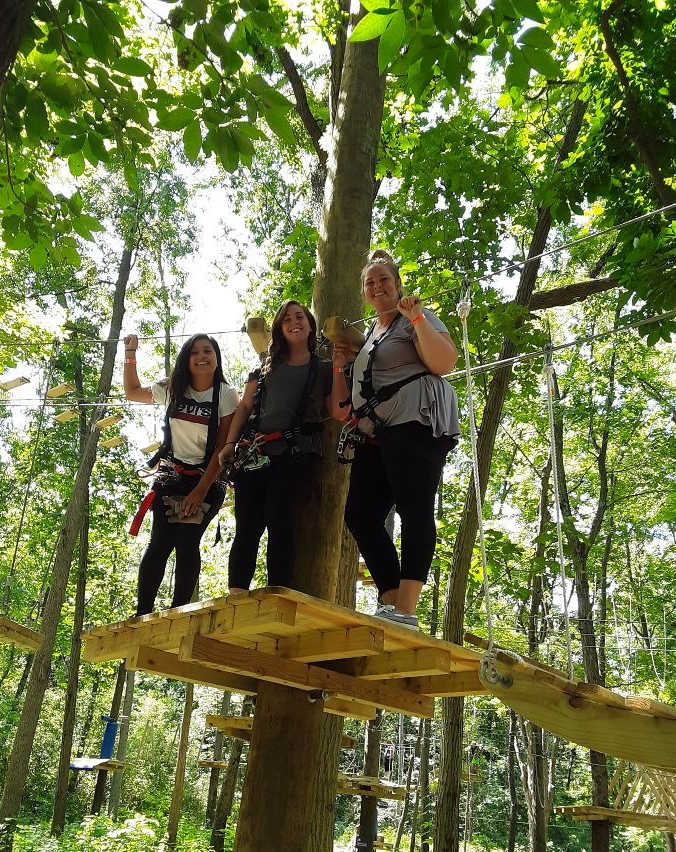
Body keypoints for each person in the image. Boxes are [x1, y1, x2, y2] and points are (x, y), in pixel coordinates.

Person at [330, 250, 460, 629]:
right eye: (370, 282)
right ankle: (392, 601)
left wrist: (417, 317)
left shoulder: (413, 318)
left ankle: (406, 608)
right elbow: (344, 402)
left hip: (416, 420)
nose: (377, 286)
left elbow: (444, 362)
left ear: (397, 284)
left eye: (384, 279)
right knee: (360, 514)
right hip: (377, 432)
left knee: (413, 507)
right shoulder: (370, 335)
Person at [218, 300, 332, 592]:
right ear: (280, 329)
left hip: (293, 455)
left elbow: (336, 408)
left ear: (309, 325)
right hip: (254, 453)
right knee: (247, 525)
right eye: (286, 319)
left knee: (279, 520)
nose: (294, 322)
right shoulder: (263, 368)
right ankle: (236, 594)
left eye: (299, 317)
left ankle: (276, 593)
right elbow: (244, 406)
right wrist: (230, 443)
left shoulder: (324, 369)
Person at [123, 333, 239, 614]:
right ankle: (143, 613)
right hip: (171, 474)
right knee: (160, 542)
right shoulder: (173, 388)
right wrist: (130, 353)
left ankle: (178, 612)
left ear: (216, 358)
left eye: (207, 351)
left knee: (187, 541)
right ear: (186, 359)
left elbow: (223, 449)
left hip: (208, 478)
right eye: (195, 352)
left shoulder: (225, 395)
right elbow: (133, 391)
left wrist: (200, 491)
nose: (202, 356)